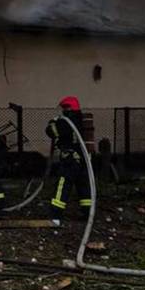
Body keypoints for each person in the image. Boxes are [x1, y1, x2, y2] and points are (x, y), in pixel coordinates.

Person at [45, 95, 91, 225]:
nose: (63, 111)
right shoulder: (82, 119)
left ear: (68, 108)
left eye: (64, 108)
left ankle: (56, 215)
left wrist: (52, 123)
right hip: (83, 159)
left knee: (62, 185)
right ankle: (88, 214)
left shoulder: (65, 121)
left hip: (70, 160)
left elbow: (51, 132)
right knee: (84, 187)